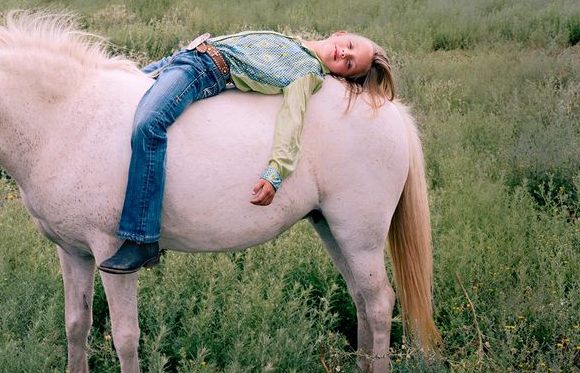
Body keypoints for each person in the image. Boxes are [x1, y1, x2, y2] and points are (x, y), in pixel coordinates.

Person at [99, 29, 395, 274]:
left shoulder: (307, 73)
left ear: (342, 75)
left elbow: (291, 122)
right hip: (186, 55)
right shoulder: (295, 44)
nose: (345, 54)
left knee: (149, 123)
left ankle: (142, 238)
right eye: (350, 47)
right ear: (340, 34)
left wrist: (275, 172)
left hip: (203, 70)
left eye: (350, 64)